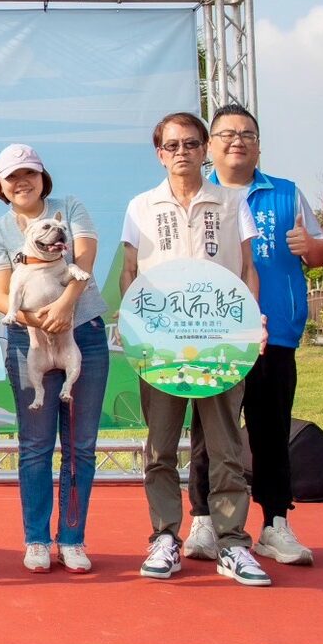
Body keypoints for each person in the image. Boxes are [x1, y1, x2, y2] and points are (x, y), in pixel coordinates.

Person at [119, 112, 272, 586]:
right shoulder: (141, 206)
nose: (181, 152)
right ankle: (164, 536)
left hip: (220, 343)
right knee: (160, 448)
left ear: (205, 149)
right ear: (159, 154)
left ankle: (232, 543)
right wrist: (136, 329)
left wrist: (251, 322)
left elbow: (248, 269)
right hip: (161, 348)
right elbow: (129, 272)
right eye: (172, 145)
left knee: (226, 448)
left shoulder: (232, 201)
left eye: (190, 143)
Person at [181, 104, 323, 568]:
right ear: (211, 147)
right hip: (214, 335)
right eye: (227, 134)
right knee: (208, 434)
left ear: (259, 145)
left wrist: (312, 248)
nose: (237, 141)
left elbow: (321, 254)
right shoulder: (197, 198)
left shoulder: (286, 193)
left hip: (276, 333)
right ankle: (203, 520)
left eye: (247, 133)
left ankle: (275, 524)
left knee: (271, 432)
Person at [0, 143, 109, 574]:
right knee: (35, 446)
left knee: (80, 447)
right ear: (0, 185)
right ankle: (36, 539)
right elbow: (1, 294)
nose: (22, 182)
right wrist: (39, 319)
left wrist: (65, 306)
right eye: (12, 177)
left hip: (83, 332)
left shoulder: (69, 207)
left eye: (29, 173)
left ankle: (72, 538)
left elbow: (85, 257)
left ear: (42, 177)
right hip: (27, 340)